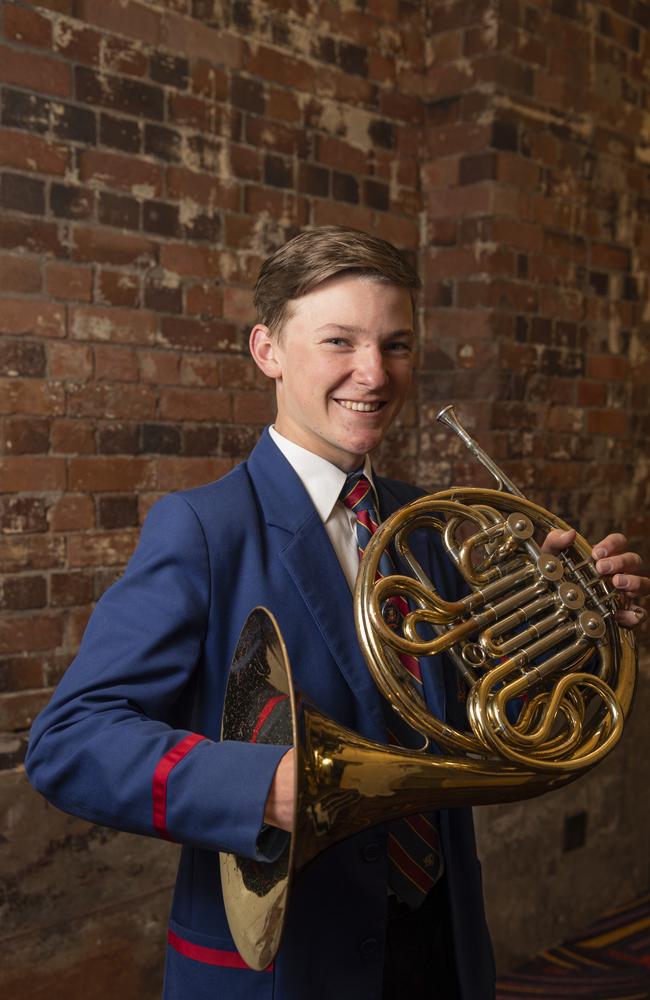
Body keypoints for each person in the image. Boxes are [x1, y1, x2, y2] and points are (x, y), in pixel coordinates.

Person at [26, 227, 648, 1000]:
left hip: (441, 946)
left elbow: (488, 723)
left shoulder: (436, 524)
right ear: (268, 351)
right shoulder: (205, 529)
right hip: (288, 966)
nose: (374, 374)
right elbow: (69, 741)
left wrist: (574, 637)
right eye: (339, 341)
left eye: (396, 345)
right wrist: (262, 786)